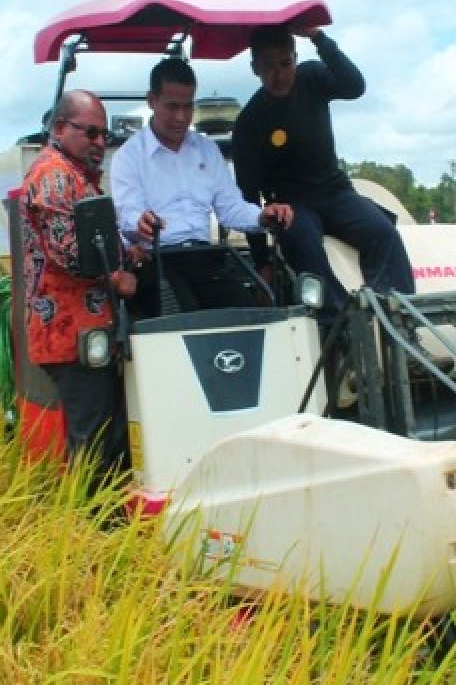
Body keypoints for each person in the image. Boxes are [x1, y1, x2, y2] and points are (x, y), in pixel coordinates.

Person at [232, 26, 419, 330]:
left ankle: (399, 330)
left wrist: (319, 38)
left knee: (383, 233)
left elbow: (354, 86)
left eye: (285, 63)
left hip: (335, 193)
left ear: (296, 58)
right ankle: (342, 330)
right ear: (255, 68)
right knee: (304, 243)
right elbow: (248, 196)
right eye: (268, 66)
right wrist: (262, 262)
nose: (278, 74)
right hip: (292, 206)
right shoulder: (249, 123)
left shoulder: (313, 78)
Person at [21, 89, 144, 487]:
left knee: (106, 435)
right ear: (60, 127)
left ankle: (103, 525)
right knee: (93, 441)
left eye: (103, 135)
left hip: (87, 331)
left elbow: (94, 241)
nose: (99, 143)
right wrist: (118, 276)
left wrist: (128, 252)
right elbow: (71, 253)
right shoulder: (54, 174)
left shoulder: (79, 177)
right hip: (70, 333)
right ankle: (86, 533)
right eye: (89, 133)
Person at [109, 57, 293, 312]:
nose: (181, 117)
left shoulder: (207, 150)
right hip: (158, 262)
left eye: (188, 107)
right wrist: (141, 223)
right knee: (182, 314)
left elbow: (230, 208)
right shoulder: (128, 156)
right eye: (172, 107)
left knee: (249, 313)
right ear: (151, 101)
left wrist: (263, 215)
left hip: (205, 260)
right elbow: (128, 214)